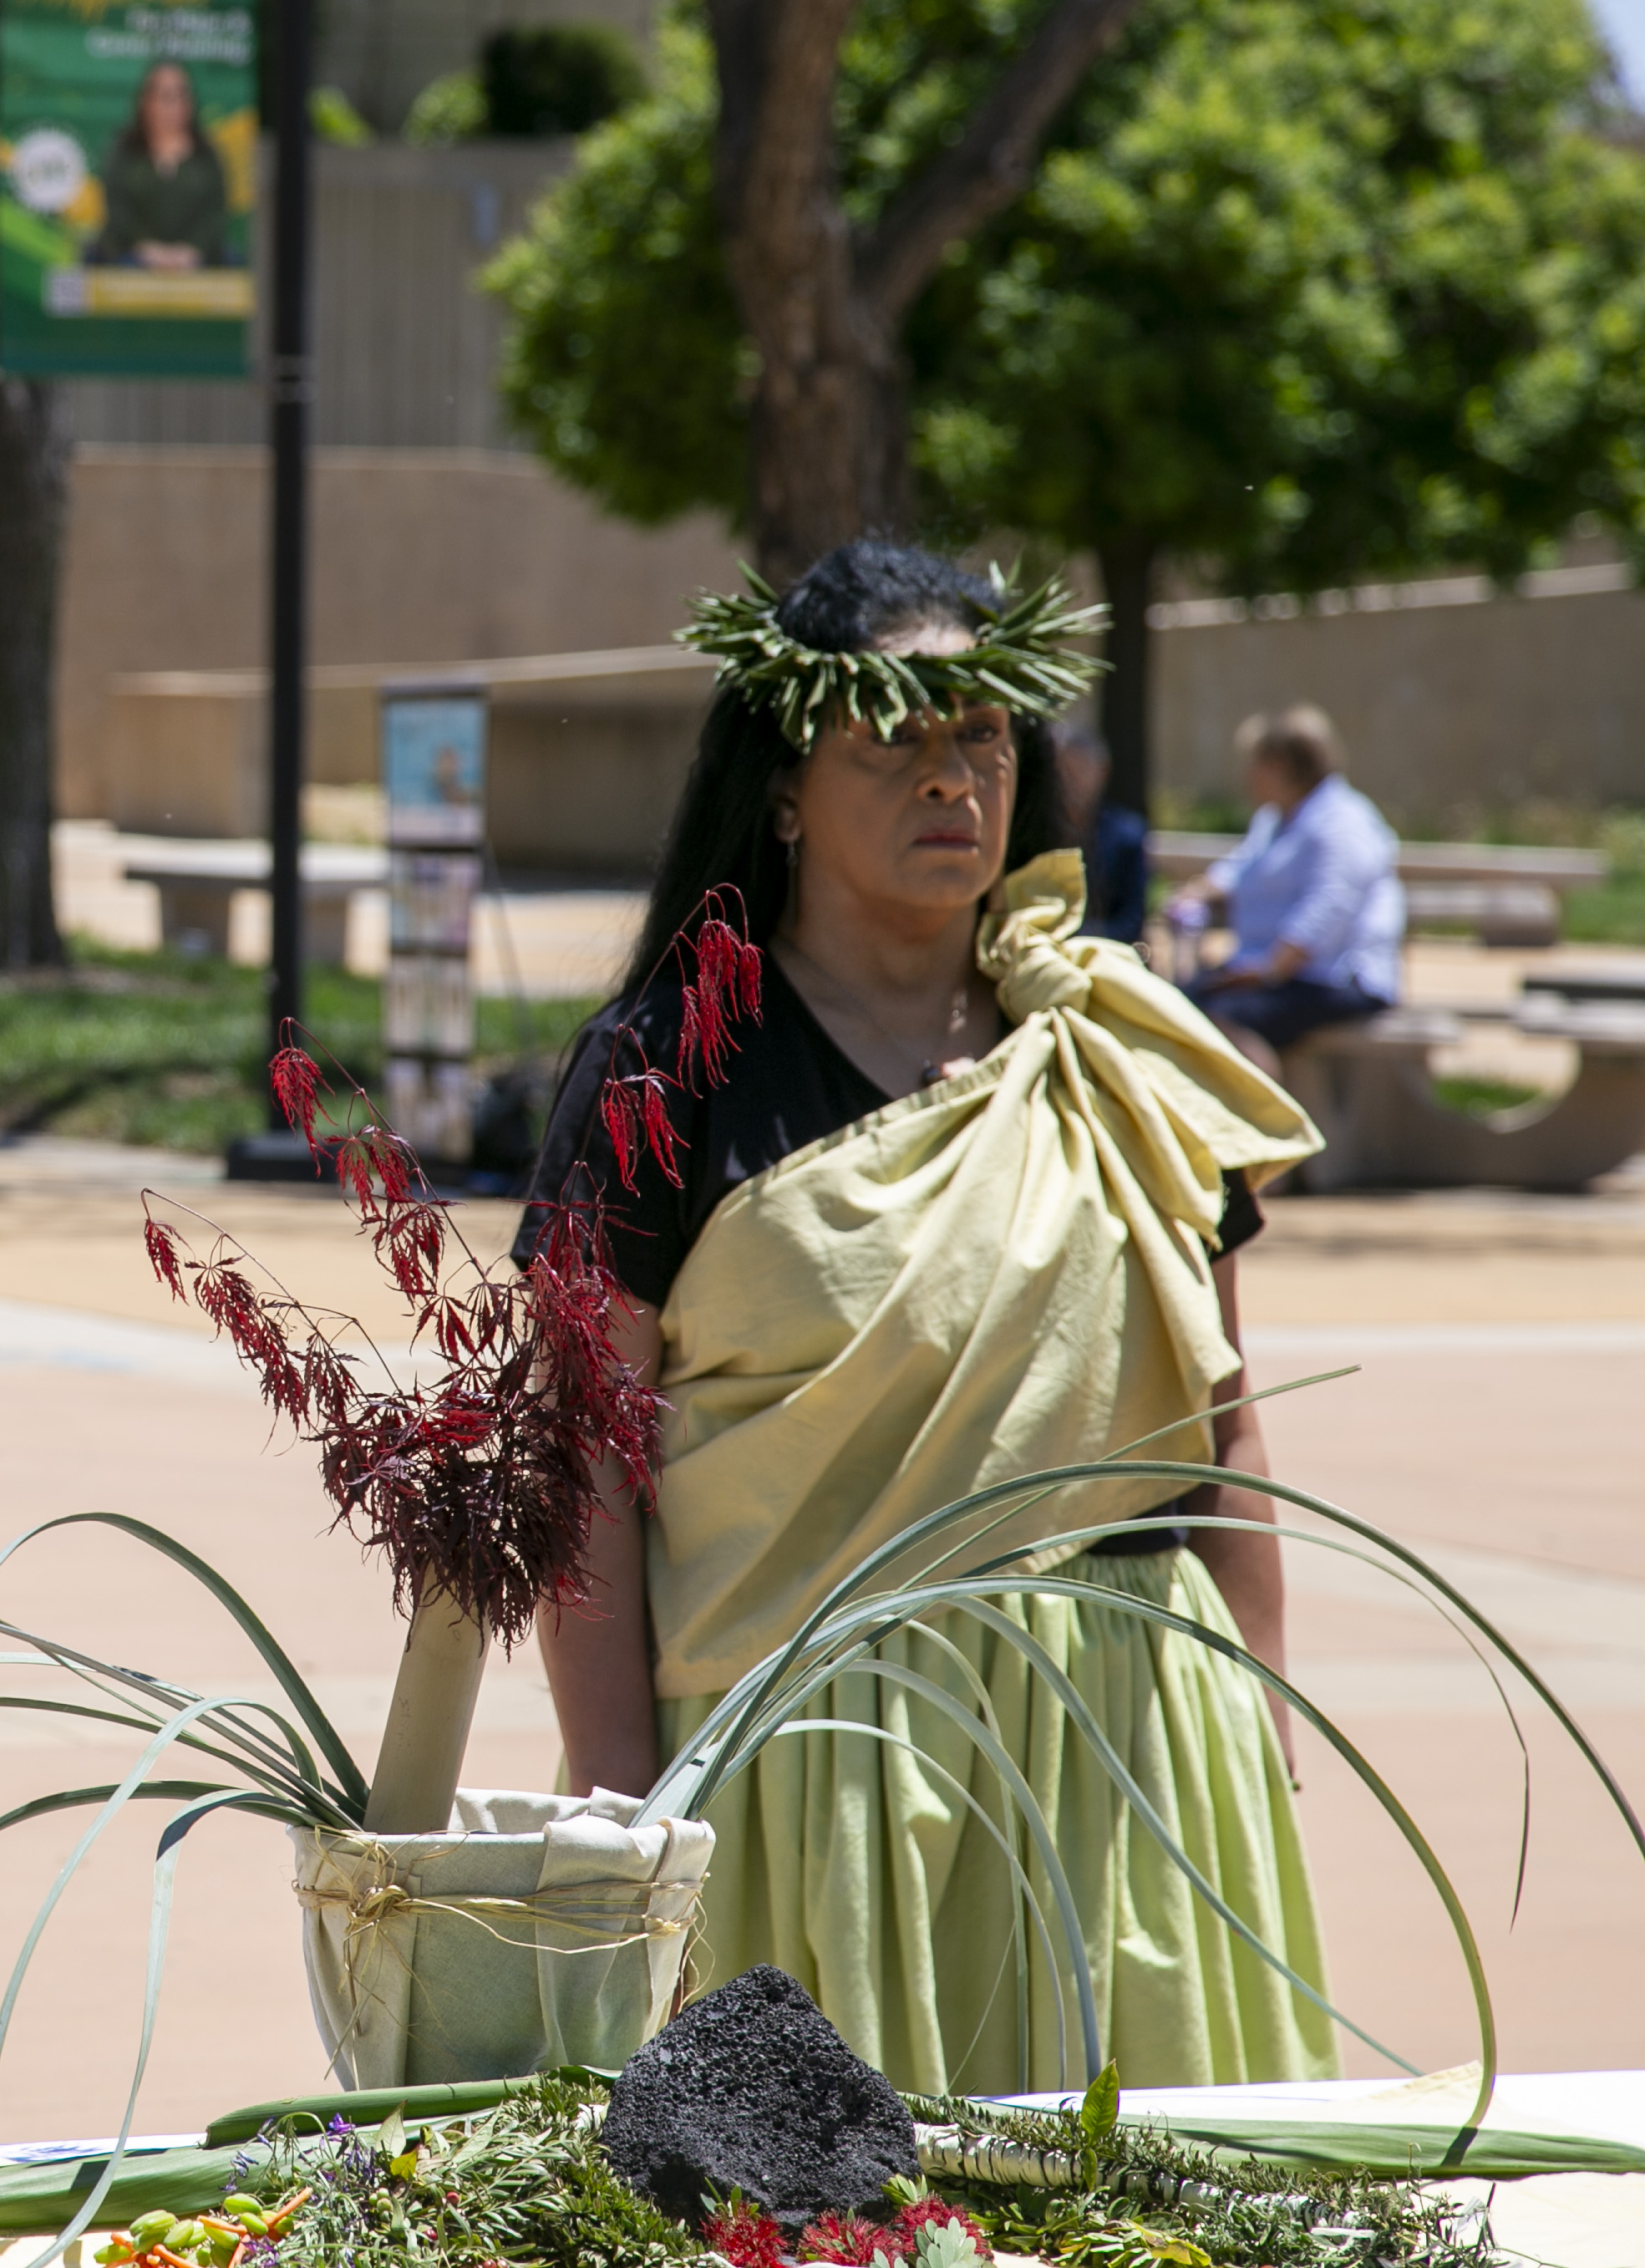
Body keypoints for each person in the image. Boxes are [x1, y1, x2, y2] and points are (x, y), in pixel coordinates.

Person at [519, 540, 1332, 2097]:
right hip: (801, 1762)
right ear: (779, 788)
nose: (948, 779)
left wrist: (1265, 1715)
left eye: (980, 738)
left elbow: (1219, 1415)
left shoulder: (1108, 1044)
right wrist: (625, 1819)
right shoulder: (668, 1067)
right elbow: (579, 1473)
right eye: (889, 741)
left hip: (1125, 1739)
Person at [1176, 704, 1404, 1081]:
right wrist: (1194, 894)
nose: (1246, 773)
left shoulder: (1343, 821)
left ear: (1280, 764)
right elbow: (1239, 869)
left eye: (1254, 762)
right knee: (1178, 999)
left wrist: (1265, 971)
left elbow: (1329, 908)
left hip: (1335, 980)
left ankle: (1264, 1119)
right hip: (1283, 976)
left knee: (1219, 1017)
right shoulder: (1274, 818)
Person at [92, 59, 236, 270]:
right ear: (146, 102)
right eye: (165, 96)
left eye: (181, 95)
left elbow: (215, 212)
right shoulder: (123, 150)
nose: (174, 105)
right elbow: (117, 209)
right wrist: (147, 249)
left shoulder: (207, 154)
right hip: (133, 255)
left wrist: (190, 250)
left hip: (195, 258)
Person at [1050, 715, 1150, 946]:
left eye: (1079, 771)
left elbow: (1132, 922)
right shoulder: (1037, 834)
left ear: (1103, 771)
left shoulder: (1127, 835)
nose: (1069, 783)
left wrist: (1075, 938)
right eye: (1061, 773)